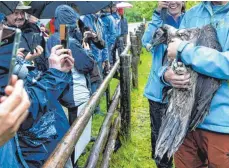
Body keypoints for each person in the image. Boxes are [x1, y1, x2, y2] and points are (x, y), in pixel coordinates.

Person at [164, 1, 229, 167]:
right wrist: (166, 75)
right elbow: (171, 55)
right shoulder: (192, 14)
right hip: (185, 121)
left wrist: (184, 51)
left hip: (222, 126)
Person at [141, 1, 184, 168]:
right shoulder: (159, 20)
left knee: (183, 140)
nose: (172, 2)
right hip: (159, 94)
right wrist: (158, 13)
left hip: (183, 92)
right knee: (160, 138)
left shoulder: (191, 19)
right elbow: (147, 42)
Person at [5, 1, 48, 72]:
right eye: (16, 13)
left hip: (42, 75)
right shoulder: (3, 34)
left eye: (22, 12)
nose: (20, 16)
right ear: (7, 14)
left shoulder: (33, 28)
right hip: (21, 79)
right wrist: (24, 61)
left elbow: (44, 52)